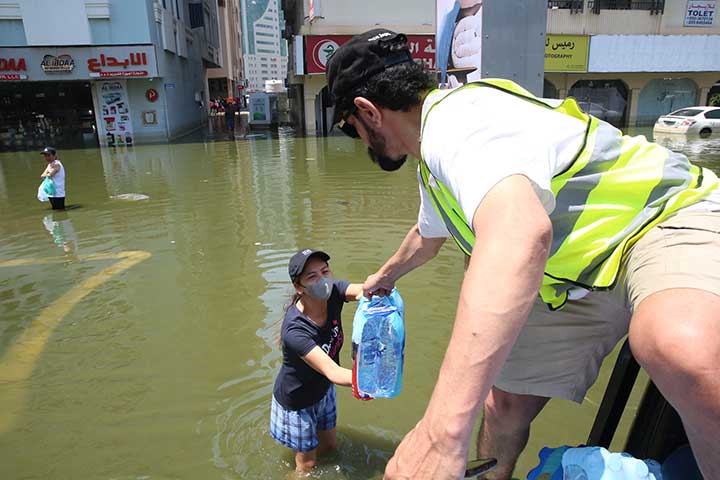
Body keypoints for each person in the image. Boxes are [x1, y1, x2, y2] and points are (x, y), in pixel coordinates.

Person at [326, 29, 720, 480]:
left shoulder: (460, 122)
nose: (358, 142)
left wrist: (440, 433)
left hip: (661, 219)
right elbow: (427, 233)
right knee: (504, 405)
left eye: (348, 128)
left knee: (676, 343)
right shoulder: (435, 163)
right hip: (578, 278)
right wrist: (386, 277)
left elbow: (519, 234)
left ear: (367, 112)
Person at [270, 249, 364, 473]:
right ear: (299, 286)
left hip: (323, 391)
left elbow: (363, 291)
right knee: (307, 466)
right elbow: (331, 370)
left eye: (325, 271)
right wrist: (367, 381)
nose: (323, 280)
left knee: (330, 446)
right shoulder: (295, 330)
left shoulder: (334, 293)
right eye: (312, 276)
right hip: (298, 402)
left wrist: (380, 287)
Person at [40, 146, 66, 210]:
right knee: (55, 210)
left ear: (54, 156)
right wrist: (46, 174)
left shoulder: (57, 164)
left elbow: (50, 175)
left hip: (59, 193)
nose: (47, 157)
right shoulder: (50, 164)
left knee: (60, 211)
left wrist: (47, 174)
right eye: (45, 155)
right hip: (51, 192)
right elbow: (42, 175)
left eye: (49, 155)